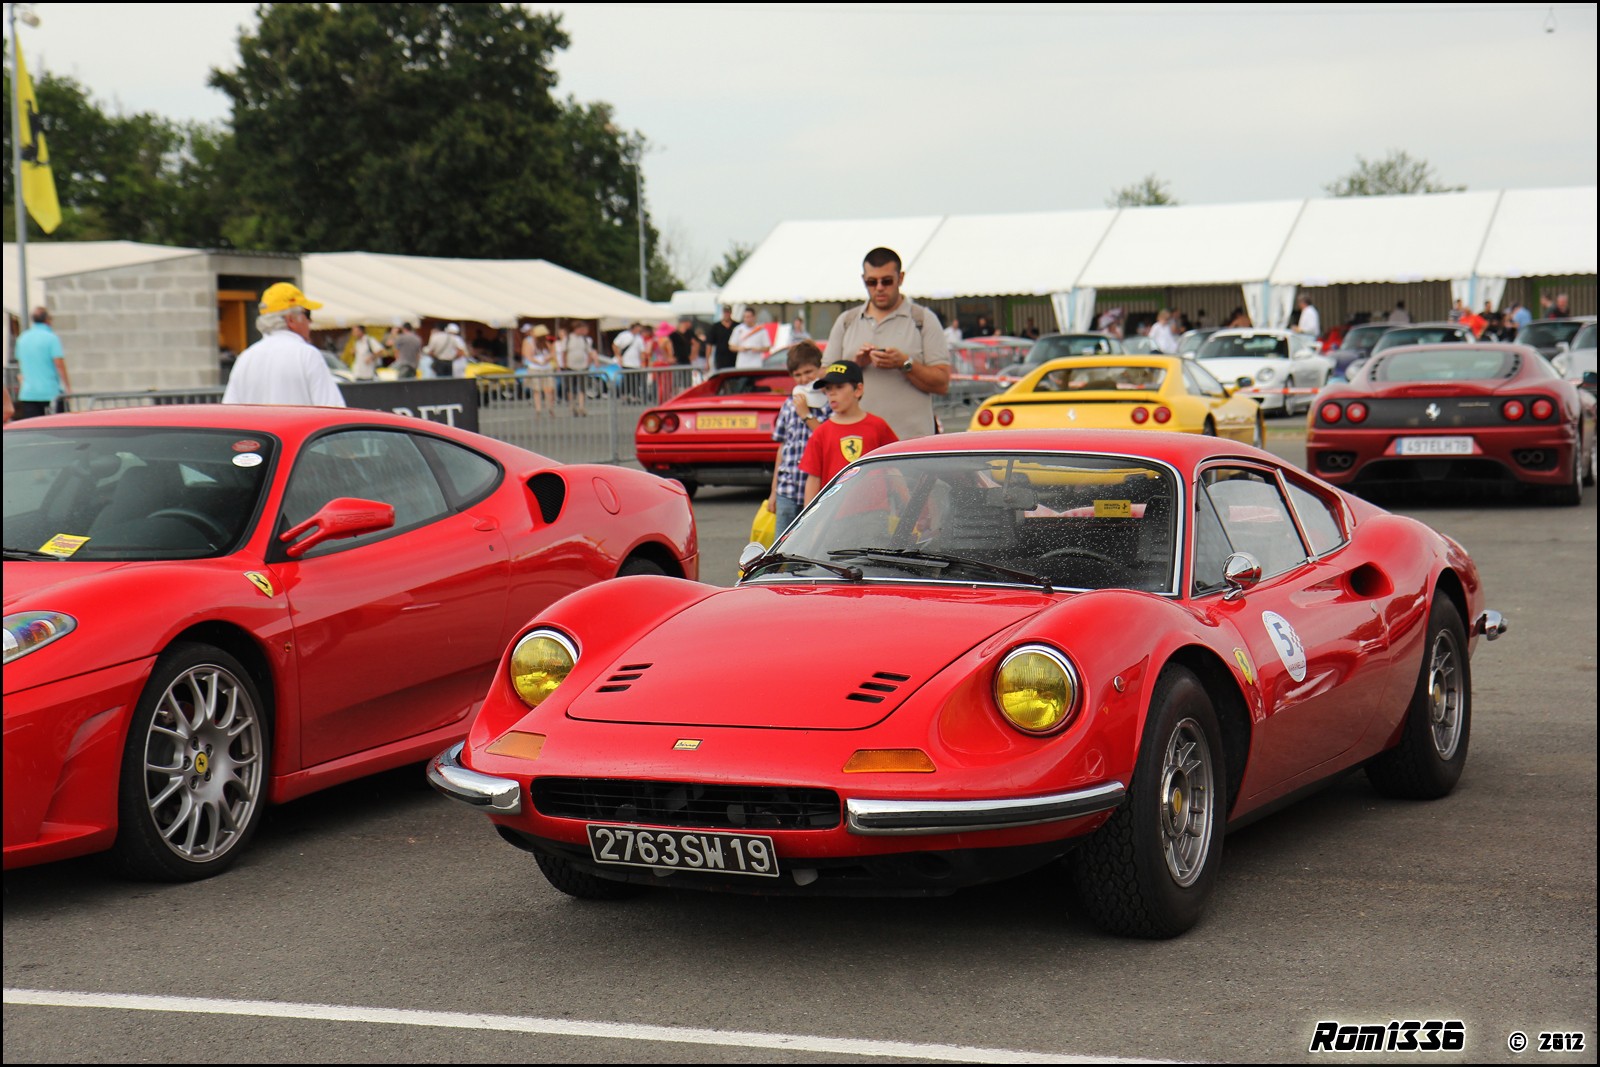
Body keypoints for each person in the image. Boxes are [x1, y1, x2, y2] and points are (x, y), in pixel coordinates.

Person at [823, 246, 951, 440]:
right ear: (863, 281)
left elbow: (942, 383)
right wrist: (854, 365)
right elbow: (823, 379)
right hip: (858, 444)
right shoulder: (847, 321)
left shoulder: (922, 319)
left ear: (900, 278)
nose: (880, 287)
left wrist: (905, 364)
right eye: (872, 282)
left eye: (887, 281)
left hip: (910, 442)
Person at [221, 283, 345, 407]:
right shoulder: (307, 355)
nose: (310, 321)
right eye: (307, 314)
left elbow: (229, 413)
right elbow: (334, 410)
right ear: (291, 319)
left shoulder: (245, 358)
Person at [799, 360, 898, 506]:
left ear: (858, 390)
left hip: (875, 511)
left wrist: (909, 503)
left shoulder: (877, 426)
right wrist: (807, 521)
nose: (832, 393)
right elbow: (813, 479)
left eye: (839, 387)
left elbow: (894, 469)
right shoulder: (822, 432)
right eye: (828, 388)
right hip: (833, 512)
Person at [765, 340, 830, 534]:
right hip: (788, 490)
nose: (803, 379)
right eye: (798, 375)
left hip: (817, 490)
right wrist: (773, 492)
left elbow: (827, 439)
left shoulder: (829, 403)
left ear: (820, 369)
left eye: (809, 372)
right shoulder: (788, 404)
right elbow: (782, 449)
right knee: (783, 548)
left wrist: (805, 414)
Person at [13, 306, 71, 420]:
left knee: (33, 429)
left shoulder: (22, 338)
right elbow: (59, 363)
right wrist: (68, 387)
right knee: (56, 429)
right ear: (47, 320)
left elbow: (20, 363)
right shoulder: (51, 338)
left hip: (28, 393)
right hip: (50, 393)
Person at [560, 320, 593, 415]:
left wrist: (588, 363)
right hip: (570, 366)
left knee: (582, 388)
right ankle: (572, 405)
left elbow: (589, 352)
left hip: (582, 366)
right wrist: (564, 364)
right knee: (570, 388)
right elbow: (564, 352)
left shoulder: (586, 339)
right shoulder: (568, 339)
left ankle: (581, 406)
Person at [526, 325, 556, 413]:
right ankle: (538, 408)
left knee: (549, 388)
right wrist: (538, 362)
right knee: (537, 389)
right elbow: (528, 355)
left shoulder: (547, 343)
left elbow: (553, 353)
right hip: (535, 368)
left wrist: (547, 359)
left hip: (546, 367)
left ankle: (550, 407)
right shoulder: (530, 343)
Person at [706, 306, 737, 372]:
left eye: (728, 312)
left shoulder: (736, 326)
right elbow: (709, 344)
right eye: (725, 312)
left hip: (734, 357)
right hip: (720, 358)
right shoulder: (716, 327)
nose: (726, 314)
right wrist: (707, 361)